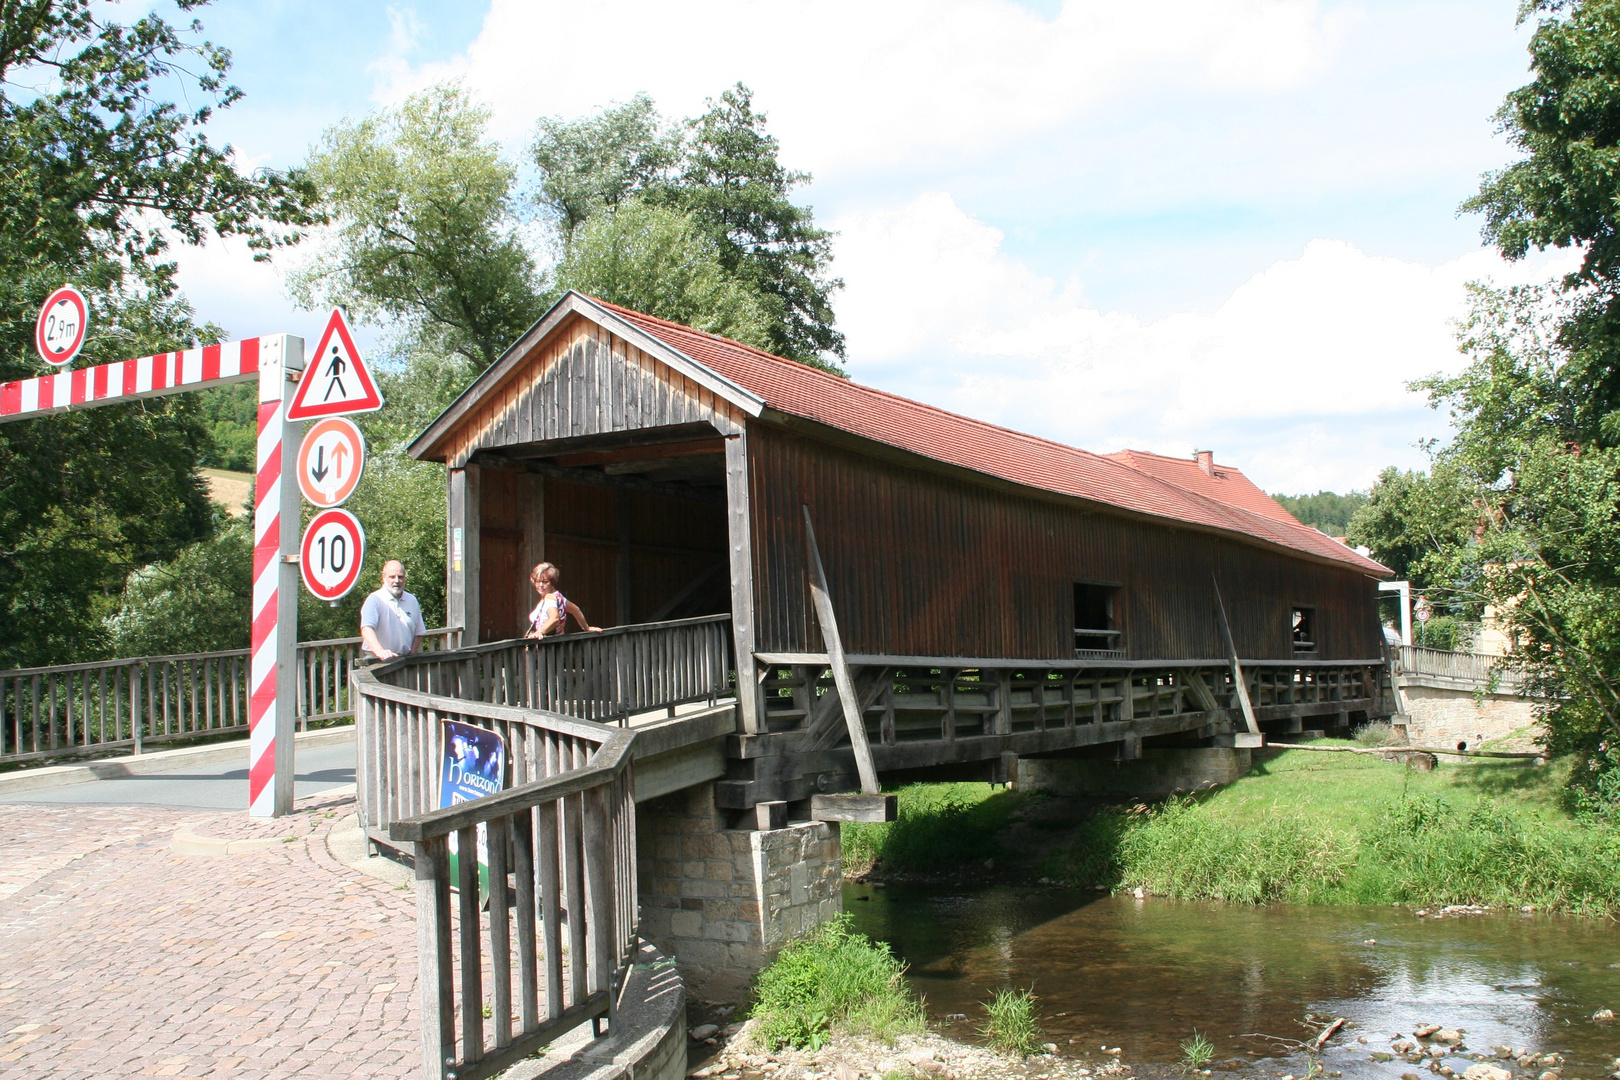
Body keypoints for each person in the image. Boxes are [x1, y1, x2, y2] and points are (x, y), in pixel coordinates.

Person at [360, 560, 426, 661]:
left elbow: (419, 632)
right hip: (377, 661)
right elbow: (366, 629)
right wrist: (380, 651)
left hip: (404, 660)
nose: (397, 581)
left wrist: (412, 654)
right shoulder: (375, 600)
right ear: (383, 577)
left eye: (400, 577)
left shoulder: (411, 600)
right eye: (392, 577)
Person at [525, 562, 601, 638]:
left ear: (552, 582)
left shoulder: (550, 599)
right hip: (557, 642)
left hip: (546, 644)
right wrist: (586, 627)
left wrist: (540, 632)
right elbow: (576, 610)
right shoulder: (558, 596)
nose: (540, 585)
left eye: (545, 582)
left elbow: (554, 618)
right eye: (538, 581)